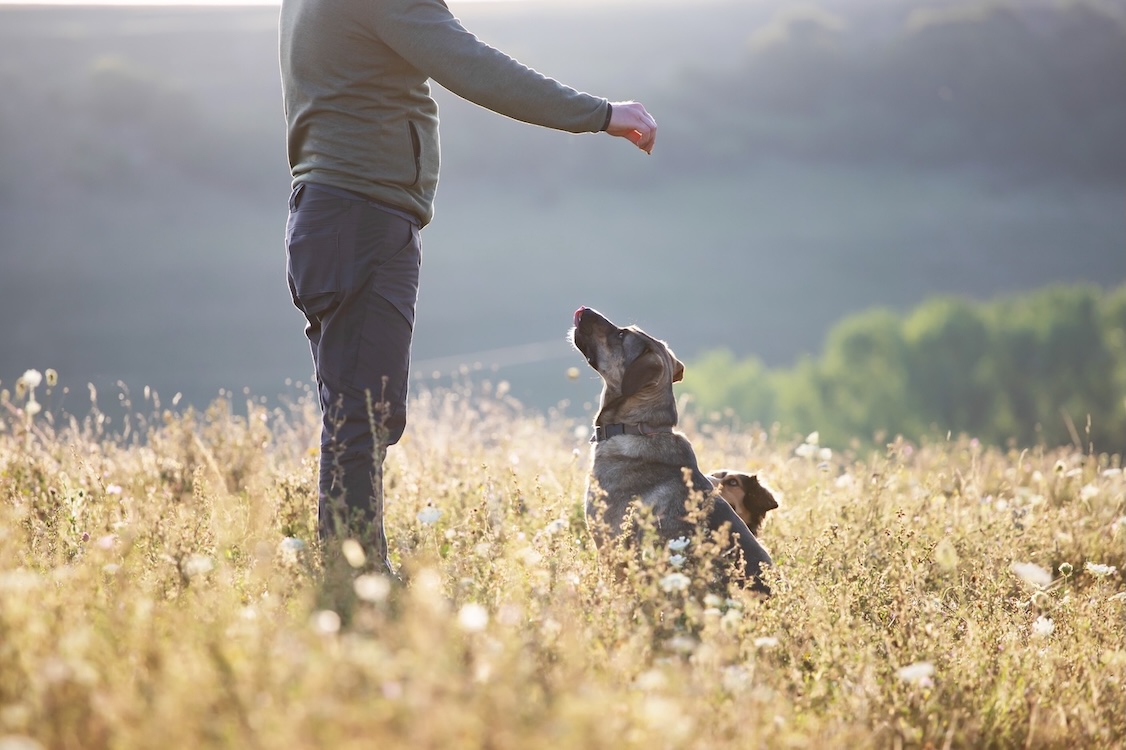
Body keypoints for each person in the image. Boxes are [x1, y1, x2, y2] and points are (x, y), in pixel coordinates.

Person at [279, 0, 657, 574]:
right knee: (364, 414)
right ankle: (354, 578)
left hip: (328, 216)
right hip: (361, 219)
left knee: (354, 408)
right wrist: (601, 113)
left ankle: (350, 568)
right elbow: (472, 65)